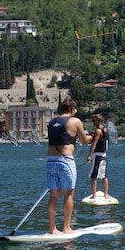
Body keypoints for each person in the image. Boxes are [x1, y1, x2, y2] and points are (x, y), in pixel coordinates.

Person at [46, 99, 90, 234]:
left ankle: (52, 228)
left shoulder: (52, 122)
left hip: (50, 161)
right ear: (72, 108)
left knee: (53, 195)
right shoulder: (75, 121)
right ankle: (66, 227)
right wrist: (91, 137)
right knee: (68, 194)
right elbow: (83, 141)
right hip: (65, 160)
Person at [86, 113, 111, 200]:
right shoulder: (106, 130)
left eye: (94, 121)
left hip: (97, 155)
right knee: (104, 175)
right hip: (104, 155)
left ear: (98, 121)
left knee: (94, 176)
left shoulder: (98, 131)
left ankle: (94, 195)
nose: (93, 122)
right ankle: (106, 194)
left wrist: (89, 155)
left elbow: (94, 144)